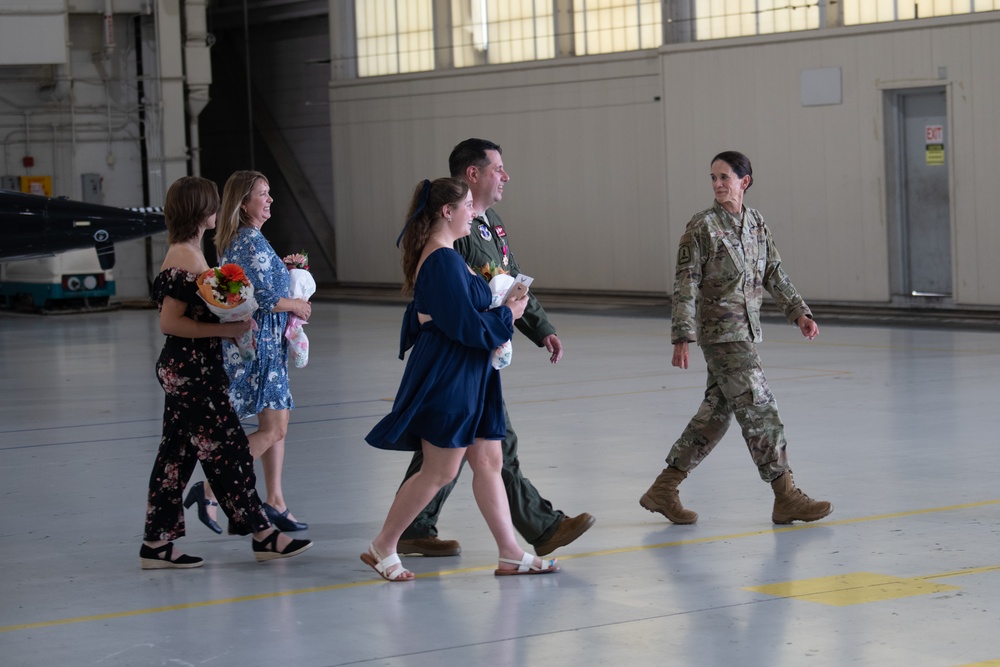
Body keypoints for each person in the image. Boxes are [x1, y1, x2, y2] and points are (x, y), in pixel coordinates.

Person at [396, 139, 595, 559]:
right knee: (486, 444)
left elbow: (511, 278)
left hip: (481, 347)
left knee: (452, 446)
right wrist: (501, 321)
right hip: (465, 349)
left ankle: (413, 527)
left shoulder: (489, 224)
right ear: (473, 174)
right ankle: (541, 528)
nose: (505, 176)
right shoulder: (456, 235)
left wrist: (540, 327)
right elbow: (458, 302)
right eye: (497, 168)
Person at [363, 177, 560, 581]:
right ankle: (383, 544)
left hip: (473, 371)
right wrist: (510, 315)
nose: (474, 212)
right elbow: (466, 326)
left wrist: (501, 304)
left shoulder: (451, 256)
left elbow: (446, 314)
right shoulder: (441, 260)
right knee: (440, 471)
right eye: (468, 205)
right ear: (447, 211)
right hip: (451, 374)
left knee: (489, 460)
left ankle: (509, 552)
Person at [640, 151, 833, 525]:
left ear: (744, 181)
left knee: (716, 415)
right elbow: (685, 285)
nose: (717, 184)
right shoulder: (702, 227)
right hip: (722, 336)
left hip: (746, 331)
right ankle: (785, 494)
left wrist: (799, 312)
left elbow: (774, 271)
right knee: (760, 408)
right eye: (713, 177)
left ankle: (664, 488)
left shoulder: (756, 223)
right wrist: (682, 335)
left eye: (724, 177)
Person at [141, 176, 312, 569]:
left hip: (190, 369)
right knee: (229, 454)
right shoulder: (186, 256)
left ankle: (156, 543)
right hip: (192, 371)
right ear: (201, 212)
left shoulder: (190, 251)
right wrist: (227, 328)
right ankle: (263, 534)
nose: (219, 211)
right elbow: (170, 323)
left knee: (175, 458)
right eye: (213, 205)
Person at [189, 171, 312, 534]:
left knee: (278, 424)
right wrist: (298, 305)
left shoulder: (251, 240)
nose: (270, 199)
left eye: (270, 192)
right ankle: (209, 488)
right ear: (244, 204)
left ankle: (275, 500)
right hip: (260, 349)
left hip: (268, 347)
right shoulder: (249, 241)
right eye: (263, 194)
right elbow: (266, 299)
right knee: (273, 429)